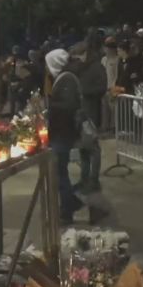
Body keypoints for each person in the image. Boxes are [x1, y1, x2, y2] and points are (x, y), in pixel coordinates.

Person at [45, 49, 84, 225]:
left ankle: (67, 210)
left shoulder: (66, 78)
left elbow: (68, 106)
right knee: (59, 171)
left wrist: (50, 108)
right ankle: (71, 203)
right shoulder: (64, 78)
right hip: (62, 132)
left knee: (60, 172)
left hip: (63, 132)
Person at [69, 42, 105, 193]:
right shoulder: (81, 68)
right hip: (81, 111)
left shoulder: (97, 67)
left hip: (91, 111)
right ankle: (84, 179)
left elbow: (101, 87)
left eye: (79, 55)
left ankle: (93, 180)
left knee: (93, 148)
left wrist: (84, 91)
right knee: (83, 147)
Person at [101, 38, 120, 131]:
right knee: (104, 108)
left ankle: (114, 127)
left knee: (113, 109)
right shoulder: (104, 59)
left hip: (113, 87)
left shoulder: (117, 60)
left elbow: (117, 75)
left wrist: (114, 87)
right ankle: (105, 126)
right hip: (104, 87)